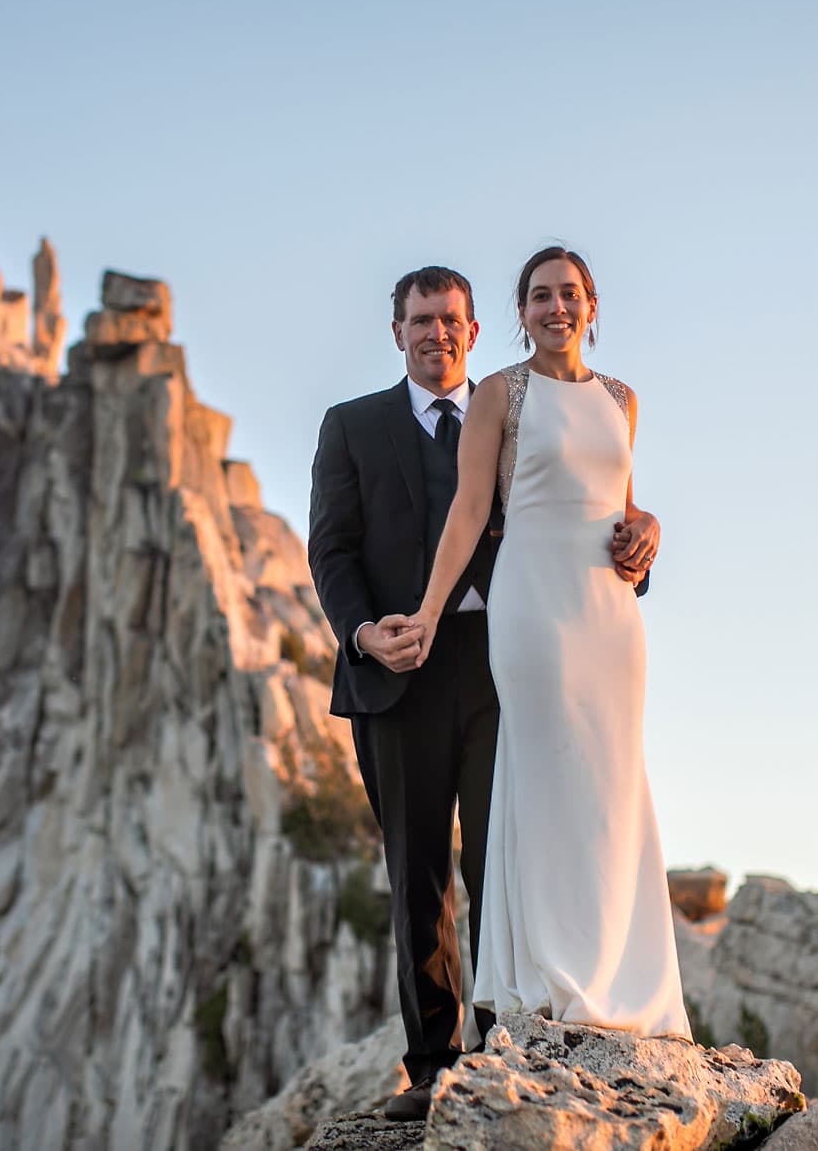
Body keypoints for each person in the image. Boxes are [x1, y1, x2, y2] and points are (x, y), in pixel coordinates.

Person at [307, 266, 660, 1122]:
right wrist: (364, 634)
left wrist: (642, 537)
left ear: (473, 330)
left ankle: (506, 1043)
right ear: (397, 331)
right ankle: (431, 1066)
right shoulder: (351, 426)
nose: (438, 334)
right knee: (419, 873)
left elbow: (582, 503)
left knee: (505, 854)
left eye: (451, 321)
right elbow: (332, 550)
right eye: (421, 320)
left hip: (510, 658)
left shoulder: (515, 404)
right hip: (399, 671)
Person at [401, 246, 690, 1039]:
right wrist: (428, 613)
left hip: (610, 614)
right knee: (548, 775)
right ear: (521, 312)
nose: (555, 307)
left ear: (591, 304)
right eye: (538, 296)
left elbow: (619, 504)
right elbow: (468, 511)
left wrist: (651, 527)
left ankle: (625, 986)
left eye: (569, 293)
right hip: (533, 607)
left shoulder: (623, 399)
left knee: (612, 782)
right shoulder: (501, 392)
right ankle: (555, 983)